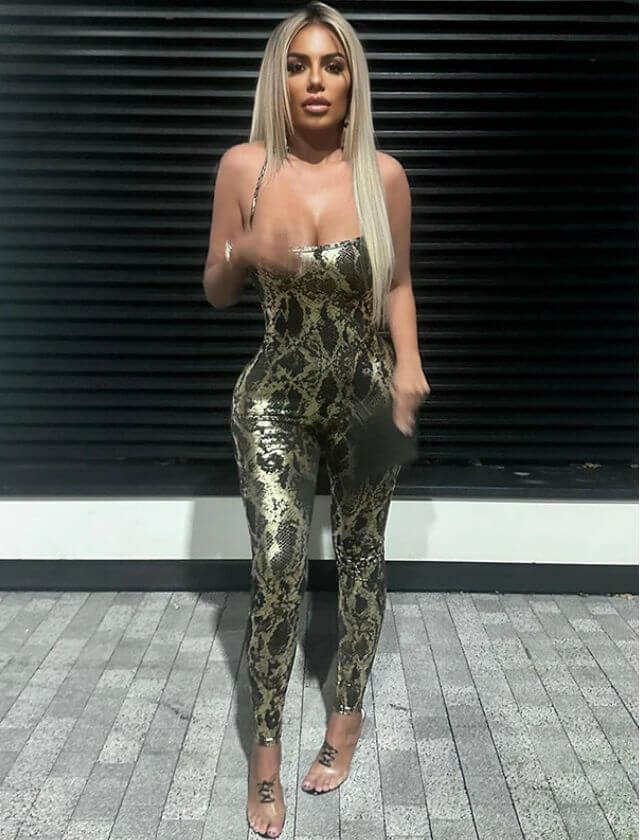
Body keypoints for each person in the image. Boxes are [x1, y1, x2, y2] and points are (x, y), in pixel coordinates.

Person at [202, 2, 429, 837]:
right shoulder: (245, 168)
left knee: (363, 555)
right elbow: (216, 288)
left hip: (365, 393)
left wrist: (409, 364)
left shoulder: (383, 176)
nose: (316, 81)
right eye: (298, 65)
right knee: (276, 566)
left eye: (332, 65)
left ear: (352, 80)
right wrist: (244, 251)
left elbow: (396, 282)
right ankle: (264, 756)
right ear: (280, 77)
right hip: (274, 395)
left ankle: (347, 718)